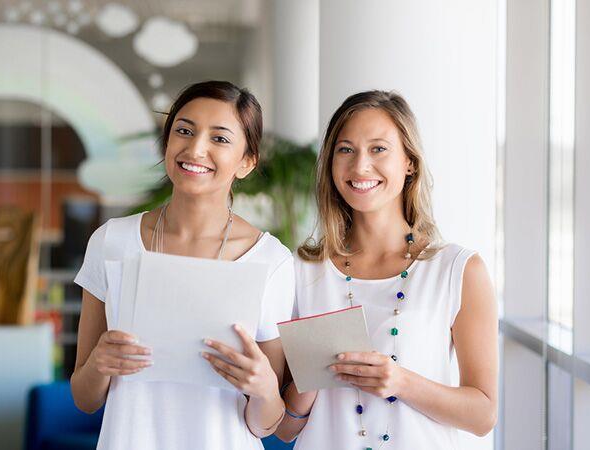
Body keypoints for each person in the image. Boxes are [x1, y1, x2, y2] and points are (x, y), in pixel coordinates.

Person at [71, 80, 294, 450]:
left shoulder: (270, 260)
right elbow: (85, 398)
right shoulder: (112, 241)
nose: (196, 148)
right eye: (184, 131)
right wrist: (99, 363)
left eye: (220, 138)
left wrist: (265, 389)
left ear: (247, 162)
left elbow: (266, 425)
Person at [275, 90, 498, 449]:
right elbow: (283, 429)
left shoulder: (458, 270)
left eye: (378, 149)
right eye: (345, 150)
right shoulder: (300, 272)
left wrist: (400, 382)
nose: (360, 166)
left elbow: (483, 415)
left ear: (409, 161)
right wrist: (312, 378)